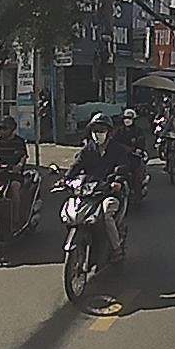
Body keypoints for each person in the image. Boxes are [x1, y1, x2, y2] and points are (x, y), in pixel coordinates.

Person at [65, 113, 129, 263]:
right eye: (95, 130)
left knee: (106, 214)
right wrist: (65, 179)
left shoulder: (118, 150)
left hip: (109, 192)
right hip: (90, 191)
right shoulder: (87, 149)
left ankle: (116, 249)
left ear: (109, 132)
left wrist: (117, 181)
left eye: (101, 130)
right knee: (72, 213)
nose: (97, 134)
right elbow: (76, 165)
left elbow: (122, 168)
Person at [0, 116, 29, 227]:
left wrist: (18, 166)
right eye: (0, 128)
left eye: (5, 128)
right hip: (0, 173)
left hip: (14, 174)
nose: (2, 131)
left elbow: (23, 157)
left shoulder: (19, 142)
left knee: (14, 188)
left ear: (12, 129)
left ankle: (16, 218)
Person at [114, 108, 148, 179]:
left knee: (138, 173)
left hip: (134, 156)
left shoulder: (138, 131)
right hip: (120, 155)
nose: (127, 120)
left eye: (129, 118)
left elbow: (141, 142)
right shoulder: (119, 131)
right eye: (125, 118)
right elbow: (114, 142)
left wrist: (138, 149)